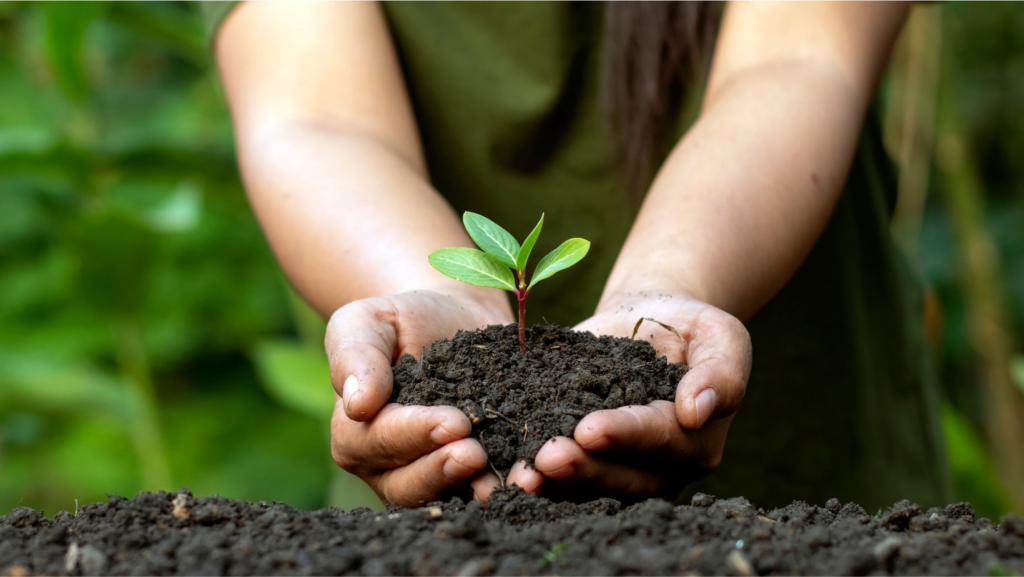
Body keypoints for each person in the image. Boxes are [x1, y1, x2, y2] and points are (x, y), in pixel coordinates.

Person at [205, 1, 953, 510]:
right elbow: (315, 117)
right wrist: (424, 290)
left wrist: (667, 287)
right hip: (450, 510)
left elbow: (801, 59)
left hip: (813, 495)